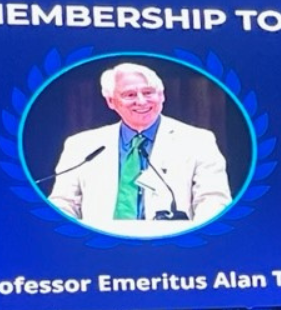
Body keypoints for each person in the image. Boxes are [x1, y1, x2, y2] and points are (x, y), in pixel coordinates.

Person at [48, 62, 232, 234]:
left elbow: (213, 200)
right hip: (97, 250)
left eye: (149, 92)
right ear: (111, 101)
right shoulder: (80, 145)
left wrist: (193, 241)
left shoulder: (198, 140)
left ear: (162, 96)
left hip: (172, 251)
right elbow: (63, 203)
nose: (142, 101)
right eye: (130, 95)